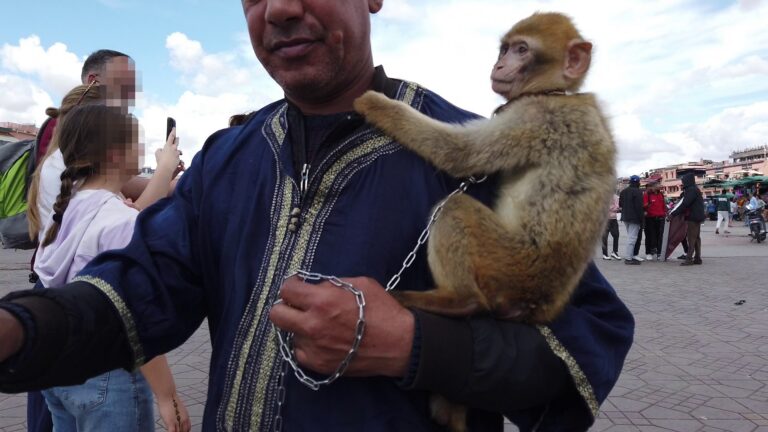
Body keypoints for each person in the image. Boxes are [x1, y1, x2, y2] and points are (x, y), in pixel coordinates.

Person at [0, 2, 634, 431]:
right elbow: (134, 293)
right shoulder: (229, 159)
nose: (277, 9)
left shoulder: (469, 154)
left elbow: (589, 344)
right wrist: (16, 329)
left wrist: (415, 345)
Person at [31, 103, 190, 431]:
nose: (145, 150)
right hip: (106, 375)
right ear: (117, 154)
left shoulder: (67, 209)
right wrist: (167, 394)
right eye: (138, 142)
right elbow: (134, 315)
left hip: (59, 368)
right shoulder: (117, 220)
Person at [669, 173, 705, 266]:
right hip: (698, 216)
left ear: (687, 181)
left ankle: (689, 259)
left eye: (683, 181)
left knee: (691, 238)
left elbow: (685, 204)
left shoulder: (691, 190)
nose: (682, 183)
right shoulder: (695, 189)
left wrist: (673, 214)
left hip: (693, 216)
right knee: (696, 238)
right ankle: (697, 258)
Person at [619, 175, 644, 264]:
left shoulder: (623, 192)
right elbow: (639, 207)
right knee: (632, 238)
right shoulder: (638, 192)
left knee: (630, 237)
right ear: (638, 182)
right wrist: (642, 219)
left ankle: (630, 256)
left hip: (625, 217)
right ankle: (629, 258)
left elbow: (620, 205)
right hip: (635, 218)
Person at [643, 181, 666, 260]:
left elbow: (663, 205)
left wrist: (665, 214)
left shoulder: (661, 194)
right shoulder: (647, 195)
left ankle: (659, 253)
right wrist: (648, 205)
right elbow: (644, 205)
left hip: (660, 218)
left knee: (660, 236)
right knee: (649, 236)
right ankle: (648, 252)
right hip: (650, 219)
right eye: (658, 185)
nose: (660, 186)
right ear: (653, 186)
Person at [602, 191, 621, 260]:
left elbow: (618, 206)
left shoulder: (615, 196)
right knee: (604, 237)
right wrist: (614, 208)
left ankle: (614, 252)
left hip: (613, 219)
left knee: (616, 235)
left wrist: (614, 208)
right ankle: (605, 254)